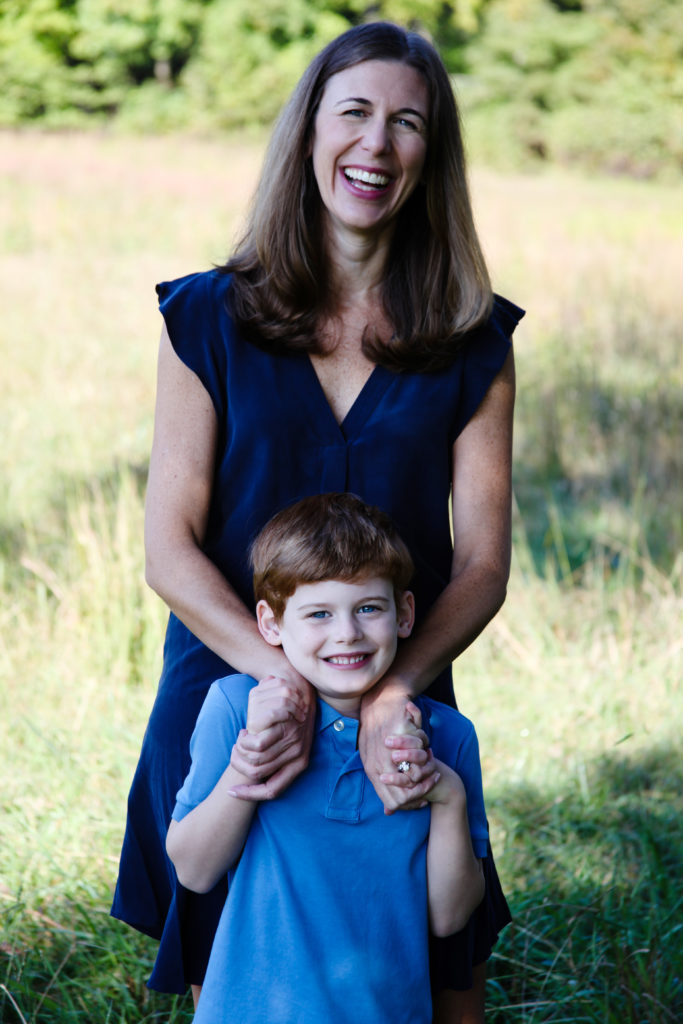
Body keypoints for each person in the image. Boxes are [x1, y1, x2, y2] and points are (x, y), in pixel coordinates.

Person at [111, 19, 524, 1021]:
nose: (375, 145)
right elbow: (170, 548)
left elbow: (481, 562)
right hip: (230, 688)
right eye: (353, 113)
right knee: (246, 975)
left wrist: (390, 691)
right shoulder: (206, 318)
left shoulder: (472, 342)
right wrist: (275, 685)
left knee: (439, 975)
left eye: (406, 124)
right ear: (307, 132)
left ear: (431, 156)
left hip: (399, 677)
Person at [166, 492, 488, 1024]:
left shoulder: (447, 736)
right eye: (318, 613)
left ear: (404, 613)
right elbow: (194, 871)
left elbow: (449, 917)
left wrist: (447, 796)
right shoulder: (234, 708)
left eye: (368, 608)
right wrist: (244, 768)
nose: (347, 633)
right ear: (270, 624)